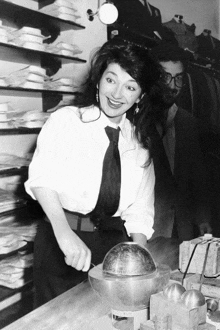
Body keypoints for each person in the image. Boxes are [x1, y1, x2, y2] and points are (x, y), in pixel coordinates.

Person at [24, 38, 161, 307]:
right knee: (56, 325)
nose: (117, 94)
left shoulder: (140, 143)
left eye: (130, 87)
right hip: (60, 237)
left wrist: (141, 257)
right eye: (111, 80)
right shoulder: (67, 121)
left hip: (113, 246)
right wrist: (64, 234)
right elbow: (42, 181)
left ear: (140, 96)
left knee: (106, 322)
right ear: (98, 80)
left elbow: (140, 210)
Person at [145, 42, 212, 241]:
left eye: (178, 78)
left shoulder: (188, 121)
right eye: (165, 77)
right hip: (145, 229)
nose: (172, 86)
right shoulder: (135, 118)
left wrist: (202, 218)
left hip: (180, 227)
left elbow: (196, 175)